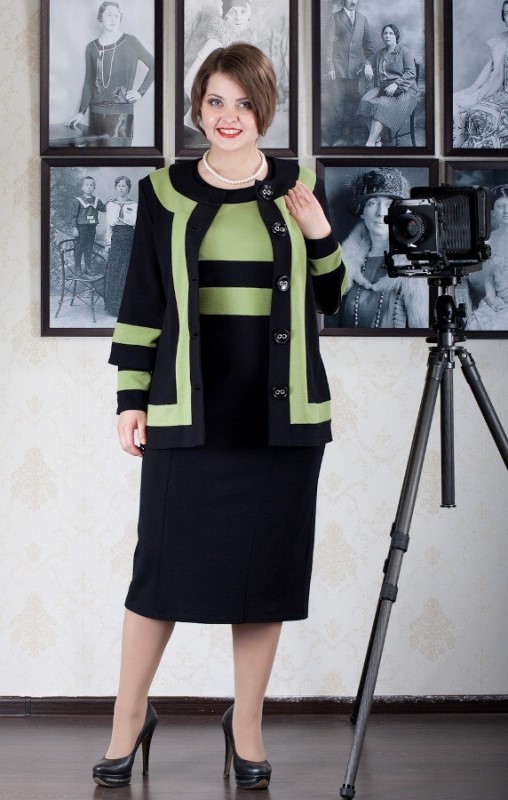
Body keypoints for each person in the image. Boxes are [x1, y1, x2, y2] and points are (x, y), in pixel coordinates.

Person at [93, 43, 346, 790]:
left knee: (264, 576)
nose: (229, 116)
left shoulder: (300, 183)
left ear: (265, 109)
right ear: (197, 108)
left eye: (243, 103)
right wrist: (130, 396)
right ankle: (128, 718)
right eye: (215, 102)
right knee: (159, 573)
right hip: (188, 407)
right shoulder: (164, 191)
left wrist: (319, 235)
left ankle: (247, 723)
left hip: (279, 414)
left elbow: (332, 297)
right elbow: (142, 297)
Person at [325, 168, 428, 329]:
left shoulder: (415, 266)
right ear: (361, 212)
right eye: (372, 203)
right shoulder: (343, 263)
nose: (380, 213)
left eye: (389, 204)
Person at [64, 2, 155, 147]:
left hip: (121, 117)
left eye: (116, 15)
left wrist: (140, 92)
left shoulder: (131, 42)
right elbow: (89, 82)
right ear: (101, 18)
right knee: (96, 158)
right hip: (96, 114)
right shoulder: (91, 48)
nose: (113, 19)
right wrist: (81, 111)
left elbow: (155, 65)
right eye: (109, 15)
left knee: (118, 158)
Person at [183, 0, 256, 135]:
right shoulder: (215, 44)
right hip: (200, 128)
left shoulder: (245, 51)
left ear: (248, 15)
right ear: (224, 15)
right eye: (232, 12)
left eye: (243, 12)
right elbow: (189, 82)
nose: (238, 18)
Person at [453, 1, 508, 148]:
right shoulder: (502, 43)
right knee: (466, 109)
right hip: (502, 93)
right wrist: (473, 89)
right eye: (507, 13)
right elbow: (490, 69)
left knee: (483, 115)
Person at [322, 0, 374, 145]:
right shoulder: (334, 18)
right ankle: (334, 139)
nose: (353, 1)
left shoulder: (362, 19)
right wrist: (329, 67)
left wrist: (368, 64)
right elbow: (327, 46)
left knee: (351, 106)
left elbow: (368, 47)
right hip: (338, 70)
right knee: (336, 106)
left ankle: (346, 137)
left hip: (355, 71)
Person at [358, 23, 418, 147]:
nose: (387, 36)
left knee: (381, 105)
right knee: (364, 102)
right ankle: (377, 139)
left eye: (391, 33)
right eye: (385, 33)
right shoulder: (380, 53)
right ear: (382, 36)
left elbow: (411, 73)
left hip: (405, 90)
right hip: (384, 88)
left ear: (396, 36)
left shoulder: (404, 51)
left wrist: (396, 84)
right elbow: (368, 60)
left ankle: (370, 143)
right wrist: (368, 65)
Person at [467, 185, 508, 330]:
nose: (506, 211)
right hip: (499, 301)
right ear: (493, 212)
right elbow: (489, 276)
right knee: (476, 324)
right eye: (500, 206)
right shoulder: (489, 240)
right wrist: (492, 298)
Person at [103, 176, 138, 316]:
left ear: (129, 188)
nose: (121, 188)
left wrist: (126, 221)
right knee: (115, 271)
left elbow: (136, 223)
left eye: (124, 186)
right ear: (116, 188)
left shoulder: (134, 205)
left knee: (127, 271)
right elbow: (109, 226)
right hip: (116, 238)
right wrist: (107, 245)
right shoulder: (111, 205)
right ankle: (113, 307)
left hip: (129, 238)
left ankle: (127, 306)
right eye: (119, 186)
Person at [71, 176, 106, 275]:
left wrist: (112, 203)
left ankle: (87, 268)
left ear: (94, 187)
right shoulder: (78, 200)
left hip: (92, 227)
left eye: (91, 185)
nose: (89, 187)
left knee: (89, 248)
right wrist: (74, 228)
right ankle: (77, 268)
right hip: (81, 227)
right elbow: (74, 215)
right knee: (79, 247)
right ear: (82, 187)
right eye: (86, 185)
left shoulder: (96, 200)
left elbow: (104, 208)